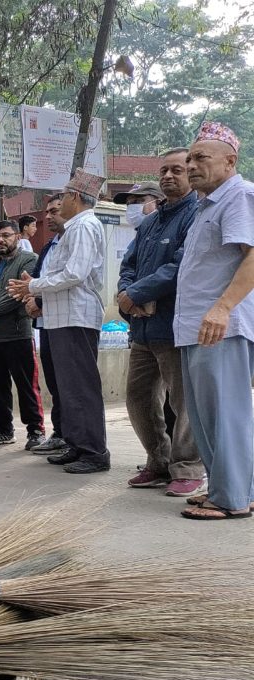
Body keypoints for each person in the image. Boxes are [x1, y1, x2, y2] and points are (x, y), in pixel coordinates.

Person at [174, 122, 254, 520]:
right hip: (196, 326)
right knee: (207, 414)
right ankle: (234, 487)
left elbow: (253, 255)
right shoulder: (208, 205)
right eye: (189, 158)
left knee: (225, 412)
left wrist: (222, 307)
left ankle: (230, 498)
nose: (191, 165)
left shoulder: (239, 195)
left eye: (201, 157)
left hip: (221, 325)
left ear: (230, 161)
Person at [9, 168, 111, 474]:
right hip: (62, 317)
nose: (60, 201)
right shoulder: (74, 228)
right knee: (68, 389)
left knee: (80, 387)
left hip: (75, 318)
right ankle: (77, 445)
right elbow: (62, 273)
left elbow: (74, 275)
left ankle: (94, 451)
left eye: (64, 195)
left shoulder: (82, 227)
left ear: (75, 197)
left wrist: (33, 286)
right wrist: (36, 283)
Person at [117, 149, 205, 497]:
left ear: (191, 173)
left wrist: (136, 292)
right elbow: (129, 262)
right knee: (137, 398)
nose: (168, 176)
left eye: (176, 170)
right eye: (163, 170)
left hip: (174, 326)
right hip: (141, 329)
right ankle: (158, 461)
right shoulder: (151, 221)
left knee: (182, 401)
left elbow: (182, 266)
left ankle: (187, 467)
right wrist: (126, 294)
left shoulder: (196, 214)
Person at [0, 220, 44, 448]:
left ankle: (35, 431)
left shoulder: (29, 261)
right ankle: (4, 430)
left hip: (17, 334)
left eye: (6, 235)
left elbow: (18, 293)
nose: (1, 240)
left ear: (17, 237)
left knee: (26, 385)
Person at [26, 195, 67, 455]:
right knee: (54, 382)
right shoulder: (50, 246)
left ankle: (76, 438)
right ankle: (60, 433)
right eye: (47, 211)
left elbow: (71, 277)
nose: (49, 216)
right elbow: (37, 279)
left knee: (70, 384)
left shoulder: (79, 236)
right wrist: (33, 299)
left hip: (70, 321)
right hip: (48, 323)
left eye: (55, 211)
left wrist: (35, 295)